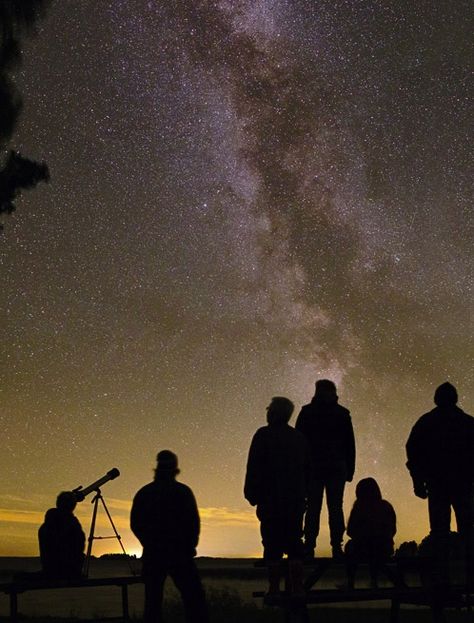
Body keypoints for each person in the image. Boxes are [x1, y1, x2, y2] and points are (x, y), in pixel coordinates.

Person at [406, 382, 474, 586]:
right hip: (463, 485)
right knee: (468, 531)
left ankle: (441, 578)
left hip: (437, 485)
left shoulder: (426, 422)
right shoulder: (468, 423)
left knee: (439, 533)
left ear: (436, 399)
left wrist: (418, 482)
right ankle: (470, 577)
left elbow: (413, 453)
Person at [130, 450, 208, 623]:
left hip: (154, 554)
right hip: (180, 554)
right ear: (175, 469)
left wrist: (148, 542)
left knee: (152, 602)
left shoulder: (145, 493)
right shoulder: (183, 492)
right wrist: (190, 546)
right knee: (194, 598)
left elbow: (136, 523)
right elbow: (193, 523)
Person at [244, 396, 311, 595]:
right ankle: (296, 587)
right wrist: (304, 495)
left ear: (274, 413)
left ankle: (274, 589)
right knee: (294, 544)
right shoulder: (299, 438)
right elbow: (308, 470)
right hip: (294, 501)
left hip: (270, 500)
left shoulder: (263, 435)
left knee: (272, 544)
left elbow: (253, 466)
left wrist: (252, 494)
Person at [296, 379, 355, 559]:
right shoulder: (342, 413)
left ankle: (311, 546)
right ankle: (335, 546)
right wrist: (350, 468)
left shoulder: (307, 412)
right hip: (334, 466)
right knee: (333, 507)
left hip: (317, 467)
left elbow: (300, 442)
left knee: (315, 507)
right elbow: (350, 444)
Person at [344, 478, 396, 588]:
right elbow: (393, 530)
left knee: (351, 547)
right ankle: (374, 580)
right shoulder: (386, 506)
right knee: (375, 549)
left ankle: (350, 581)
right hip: (384, 548)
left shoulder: (359, 507)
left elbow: (350, 531)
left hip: (364, 548)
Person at [38, 490, 85, 579]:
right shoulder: (71, 523)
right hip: (68, 572)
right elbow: (79, 545)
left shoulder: (47, 524)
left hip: (50, 571)